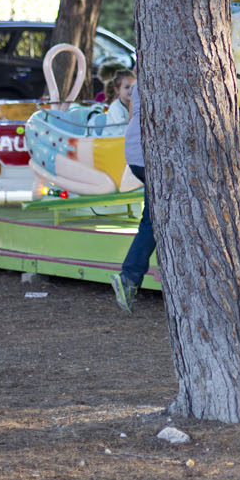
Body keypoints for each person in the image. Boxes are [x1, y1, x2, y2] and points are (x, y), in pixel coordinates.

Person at [110, 76, 151, 314]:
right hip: (146, 155)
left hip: (137, 153)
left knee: (154, 218)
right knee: (154, 221)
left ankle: (131, 277)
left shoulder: (141, 81)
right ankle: (130, 277)